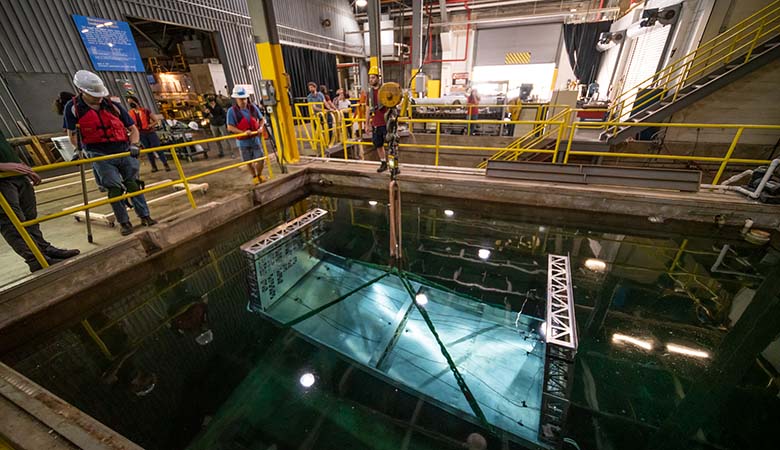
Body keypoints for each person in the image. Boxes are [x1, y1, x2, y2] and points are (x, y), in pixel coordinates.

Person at [64, 70, 157, 236]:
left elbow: (133, 129)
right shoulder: (73, 108)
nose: (98, 98)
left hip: (123, 150)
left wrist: (134, 144)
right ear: (82, 91)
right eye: (94, 95)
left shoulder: (112, 105)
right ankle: (124, 222)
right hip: (99, 154)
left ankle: (145, 216)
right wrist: (80, 150)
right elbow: (72, 134)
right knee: (114, 189)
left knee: (133, 185)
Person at [0, 130, 80, 272]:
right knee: (12, 224)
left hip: (17, 176)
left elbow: (5, 148)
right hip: (3, 180)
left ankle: (44, 249)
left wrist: (24, 167)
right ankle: (35, 259)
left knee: (30, 219)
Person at [226, 85, 265, 184]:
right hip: (243, 142)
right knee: (248, 161)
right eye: (241, 99)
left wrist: (260, 128)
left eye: (244, 99)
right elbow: (230, 127)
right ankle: (254, 176)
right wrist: (242, 132)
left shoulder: (252, 108)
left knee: (261, 159)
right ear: (236, 99)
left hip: (255, 140)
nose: (243, 101)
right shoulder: (231, 112)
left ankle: (260, 174)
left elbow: (262, 119)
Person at [126, 96, 170, 173]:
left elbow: (156, 120)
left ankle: (165, 164)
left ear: (136, 101)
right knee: (148, 150)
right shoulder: (130, 113)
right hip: (141, 134)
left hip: (150, 132)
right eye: (129, 103)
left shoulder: (145, 111)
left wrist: (150, 125)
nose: (130, 104)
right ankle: (154, 166)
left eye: (131, 102)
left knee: (157, 148)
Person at [365, 66, 388, 172]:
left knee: (392, 145)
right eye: (370, 78)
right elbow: (368, 109)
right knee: (378, 144)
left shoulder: (385, 90)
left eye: (373, 77)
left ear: (379, 78)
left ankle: (393, 165)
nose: (371, 80)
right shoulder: (369, 94)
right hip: (376, 123)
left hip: (387, 123)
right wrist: (367, 124)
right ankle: (383, 163)